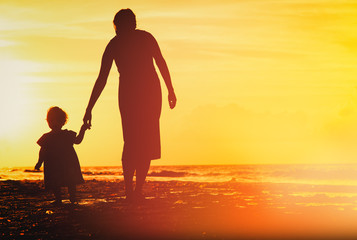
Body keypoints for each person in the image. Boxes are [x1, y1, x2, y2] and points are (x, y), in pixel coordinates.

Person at [83, 8, 177, 201]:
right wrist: (89, 107)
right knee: (136, 142)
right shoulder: (119, 43)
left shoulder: (133, 40)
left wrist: (171, 89)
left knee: (140, 141)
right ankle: (132, 191)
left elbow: (161, 62)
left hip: (145, 93)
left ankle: (134, 190)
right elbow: (102, 78)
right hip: (137, 94)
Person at [35, 106, 89, 205]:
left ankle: (72, 197)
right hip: (53, 164)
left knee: (70, 180)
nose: (53, 123)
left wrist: (83, 129)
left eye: (57, 120)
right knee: (54, 181)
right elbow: (42, 150)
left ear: (63, 121)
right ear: (48, 122)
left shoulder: (67, 134)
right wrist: (39, 162)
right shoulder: (46, 137)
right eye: (51, 121)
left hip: (67, 163)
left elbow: (77, 141)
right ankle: (58, 199)